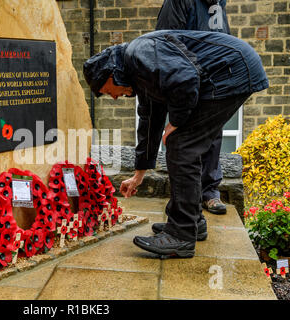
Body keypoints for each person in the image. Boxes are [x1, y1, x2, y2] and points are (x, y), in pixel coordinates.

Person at [83, 30, 268, 258]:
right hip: (229, 71)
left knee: (181, 146)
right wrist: (139, 173)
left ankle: (181, 235)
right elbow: (150, 121)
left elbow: (185, 79)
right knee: (182, 145)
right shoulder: (138, 73)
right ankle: (190, 223)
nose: (113, 97)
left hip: (231, 72)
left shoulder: (138, 53)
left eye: (107, 91)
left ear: (109, 75)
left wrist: (177, 122)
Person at [155, 0, 231, 216]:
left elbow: (225, 36)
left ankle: (209, 192)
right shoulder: (179, 1)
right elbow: (165, 40)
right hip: (187, 77)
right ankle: (186, 199)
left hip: (214, 77)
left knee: (213, 136)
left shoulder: (219, 3)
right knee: (184, 137)